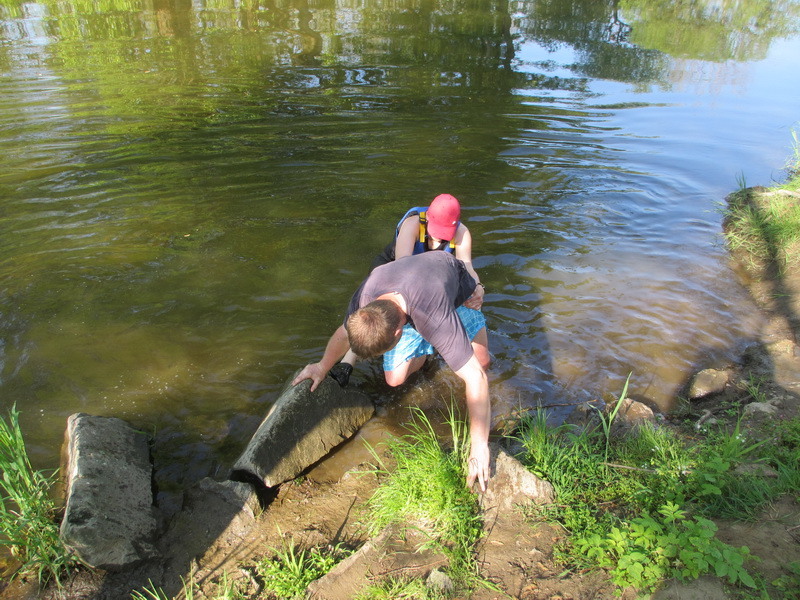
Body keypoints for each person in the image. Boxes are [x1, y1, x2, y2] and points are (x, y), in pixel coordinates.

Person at [292, 251, 491, 491]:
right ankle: (431, 348)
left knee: (481, 363)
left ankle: (443, 342)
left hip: (452, 288)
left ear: (398, 333)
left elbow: (477, 378)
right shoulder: (366, 298)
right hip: (408, 294)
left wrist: (479, 446)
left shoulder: (434, 315)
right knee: (395, 379)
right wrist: (322, 367)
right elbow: (343, 334)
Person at [330, 193, 485, 386]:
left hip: (434, 276)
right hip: (394, 270)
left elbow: (468, 267)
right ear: (428, 217)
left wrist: (478, 287)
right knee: (370, 316)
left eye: (445, 233)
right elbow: (403, 267)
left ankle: (422, 349)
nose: (438, 238)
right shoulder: (413, 224)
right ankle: (347, 361)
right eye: (436, 230)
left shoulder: (461, 233)